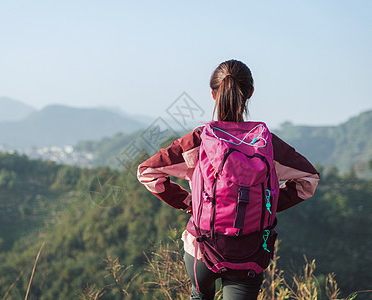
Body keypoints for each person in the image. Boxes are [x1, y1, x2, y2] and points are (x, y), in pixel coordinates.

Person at [137, 59, 320, 299]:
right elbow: (309, 180)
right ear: (250, 93)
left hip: (203, 249)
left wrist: (189, 202)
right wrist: (269, 203)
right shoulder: (268, 145)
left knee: (200, 295)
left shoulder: (200, 140)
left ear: (214, 94)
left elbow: (147, 172)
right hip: (251, 251)